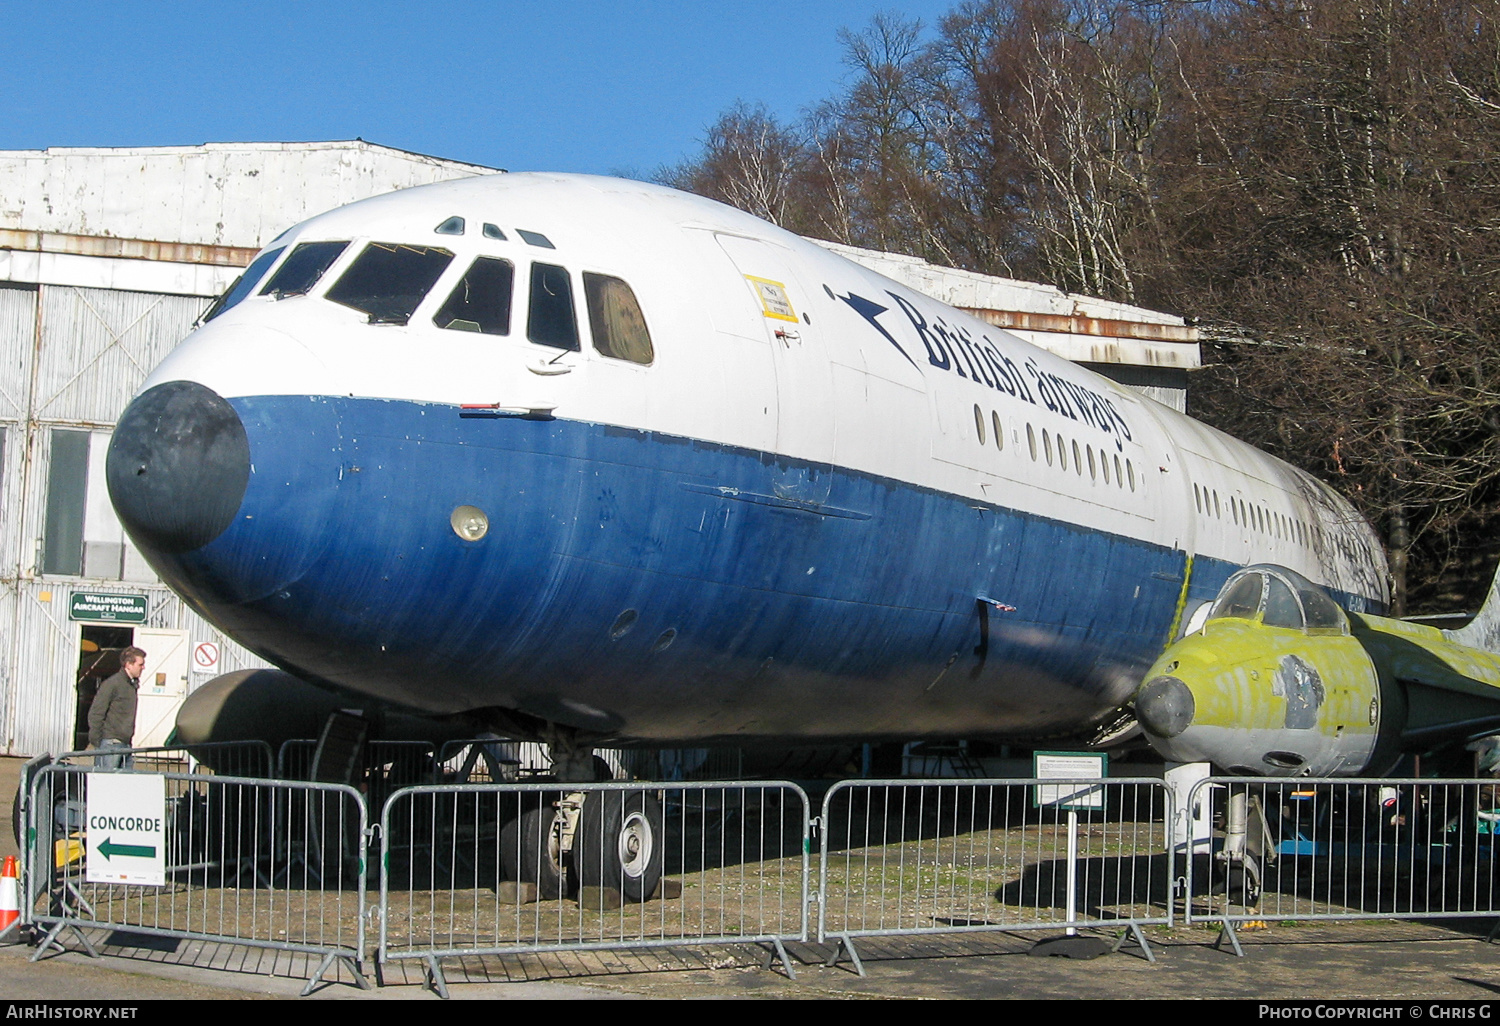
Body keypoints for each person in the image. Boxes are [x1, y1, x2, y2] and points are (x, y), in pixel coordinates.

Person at [88, 646, 146, 769]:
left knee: (123, 784)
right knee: (106, 783)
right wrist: (98, 742)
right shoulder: (112, 684)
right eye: (140, 664)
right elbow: (96, 713)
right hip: (111, 744)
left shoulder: (131, 684)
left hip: (125, 744)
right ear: (128, 664)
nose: (143, 668)